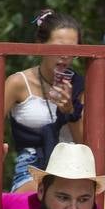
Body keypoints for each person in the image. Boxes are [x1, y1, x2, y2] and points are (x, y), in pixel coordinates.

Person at [6, 10, 84, 194]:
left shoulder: (80, 86)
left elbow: (87, 144)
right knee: (40, 198)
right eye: (59, 48)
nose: (65, 56)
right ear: (40, 46)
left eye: (72, 51)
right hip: (32, 167)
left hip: (74, 167)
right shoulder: (17, 83)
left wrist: (70, 112)